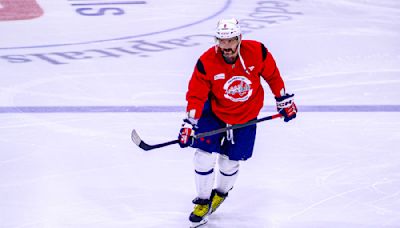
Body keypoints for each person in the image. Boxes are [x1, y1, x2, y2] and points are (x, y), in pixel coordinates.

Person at [178, 18, 297, 228]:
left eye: (231, 40)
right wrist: (189, 123)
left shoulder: (257, 52)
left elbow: (272, 76)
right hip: (213, 112)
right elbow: (196, 94)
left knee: (229, 162)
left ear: (239, 38)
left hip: (246, 113)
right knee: (203, 157)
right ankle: (203, 201)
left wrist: (283, 100)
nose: (226, 46)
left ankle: (220, 194)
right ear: (217, 41)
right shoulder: (206, 61)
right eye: (222, 41)